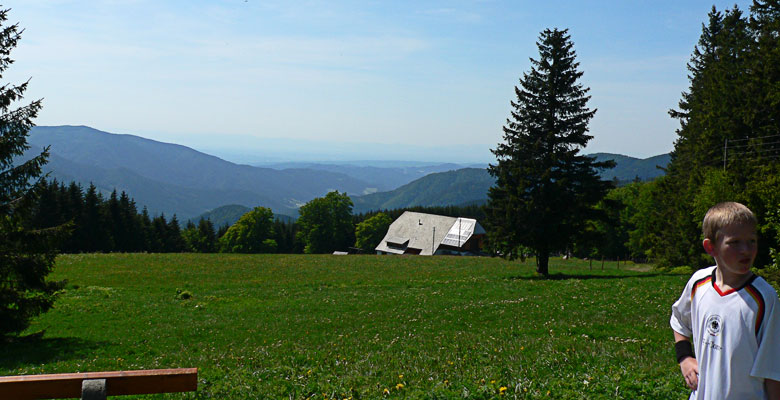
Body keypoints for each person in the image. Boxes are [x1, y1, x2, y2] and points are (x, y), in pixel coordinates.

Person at [670, 202, 780, 399]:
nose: (746, 250)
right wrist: (685, 357)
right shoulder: (698, 283)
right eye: (735, 242)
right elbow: (679, 321)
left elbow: (773, 370)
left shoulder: (764, 298)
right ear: (710, 247)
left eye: (752, 241)